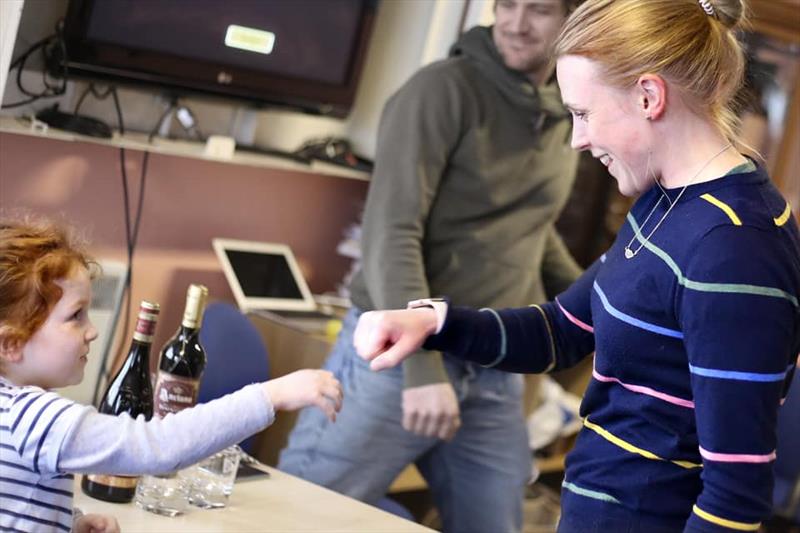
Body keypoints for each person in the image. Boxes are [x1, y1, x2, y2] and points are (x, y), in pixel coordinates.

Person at [352, 0, 800, 532]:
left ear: (649, 96)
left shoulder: (735, 248)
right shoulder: (666, 199)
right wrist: (435, 323)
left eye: (583, 113)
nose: (577, 139)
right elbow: (561, 329)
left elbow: (734, 496)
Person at [279, 1, 584, 531]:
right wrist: (421, 366)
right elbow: (392, 231)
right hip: (398, 360)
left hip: (492, 366)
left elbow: (531, 227)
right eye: (506, 4)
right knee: (299, 518)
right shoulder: (442, 90)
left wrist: (599, 307)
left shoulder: (567, 110)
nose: (515, 22)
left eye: (538, 9)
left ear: (571, 18)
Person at [0, 217, 343, 533]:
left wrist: (68, 522)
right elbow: (159, 446)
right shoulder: (32, 416)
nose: (92, 331)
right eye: (76, 316)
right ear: (12, 343)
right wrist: (272, 395)